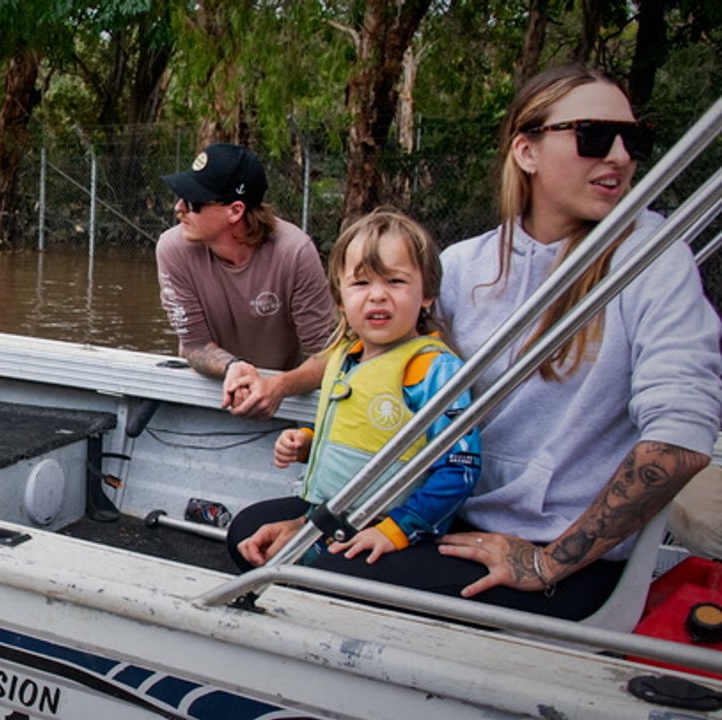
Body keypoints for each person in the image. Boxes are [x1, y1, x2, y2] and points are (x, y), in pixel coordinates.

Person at [234, 64, 722, 621]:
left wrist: (549, 563)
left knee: (293, 565)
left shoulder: (655, 261)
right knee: (256, 534)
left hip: (554, 554)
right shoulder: (466, 263)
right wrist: (286, 398)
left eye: (632, 139)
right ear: (527, 151)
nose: (618, 156)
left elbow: (680, 443)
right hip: (450, 513)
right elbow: (374, 352)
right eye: (592, 136)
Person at [227, 210, 480, 569]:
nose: (377, 296)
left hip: (389, 526)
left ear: (427, 294)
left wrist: (395, 530)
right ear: (341, 299)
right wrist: (308, 442)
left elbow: (461, 468)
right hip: (333, 517)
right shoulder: (346, 357)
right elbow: (362, 432)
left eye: (395, 281)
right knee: (247, 540)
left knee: (309, 570)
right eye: (361, 284)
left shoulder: (432, 369)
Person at [156, 143, 335, 419]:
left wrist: (278, 386)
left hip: (280, 399)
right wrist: (233, 367)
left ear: (235, 211)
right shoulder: (172, 248)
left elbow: (329, 354)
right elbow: (194, 344)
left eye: (193, 202)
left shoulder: (295, 252)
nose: (178, 208)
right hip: (208, 392)